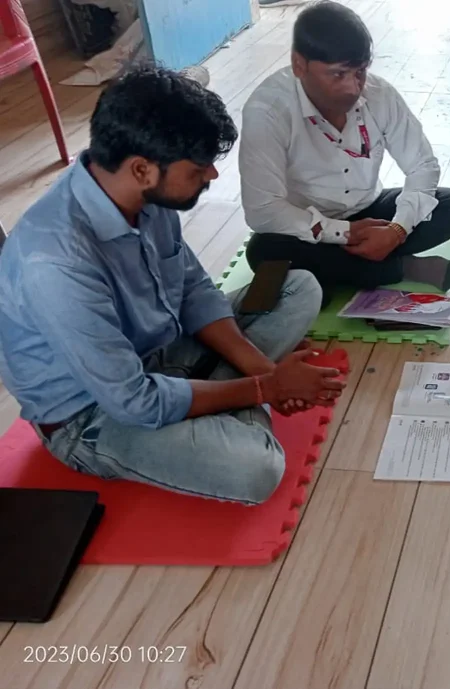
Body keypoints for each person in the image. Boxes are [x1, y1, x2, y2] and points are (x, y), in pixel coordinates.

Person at [0, 67, 346, 505]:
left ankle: (213, 394)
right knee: (257, 468)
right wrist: (267, 391)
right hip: (92, 412)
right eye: (200, 167)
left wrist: (266, 372)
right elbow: (134, 402)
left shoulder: (143, 195)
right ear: (142, 168)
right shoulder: (55, 262)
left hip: (162, 351)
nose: (212, 177)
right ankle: (219, 398)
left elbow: (195, 291)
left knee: (298, 288)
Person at [239, 0, 450, 306]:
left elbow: (422, 166)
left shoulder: (379, 93)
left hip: (371, 210)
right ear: (299, 65)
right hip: (308, 225)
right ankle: (399, 267)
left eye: (360, 72)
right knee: (263, 250)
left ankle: (331, 273)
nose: (353, 87)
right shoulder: (268, 112)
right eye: (337, 75)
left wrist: (397, 229)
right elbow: (263, 210)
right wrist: (343, 233)